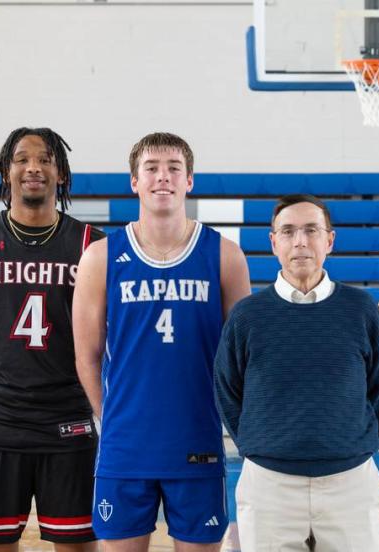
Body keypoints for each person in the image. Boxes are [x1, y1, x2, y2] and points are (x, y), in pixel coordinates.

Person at [73, 132, 250, 552]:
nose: (162, 177)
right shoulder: (101, 257)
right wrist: (115, 418)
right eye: (151, 168)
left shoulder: (225, 256)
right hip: (125, 450)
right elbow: (86, 357)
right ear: (134, 181)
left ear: (190, 180)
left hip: (198, 443)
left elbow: (245, 358)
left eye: (174, 168)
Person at [0, 127, 103, 549]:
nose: (34, 167)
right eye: (22, 158)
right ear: (6, 171)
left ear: (61, 174)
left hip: (69, 426)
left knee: (78, 545)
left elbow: (112, 338)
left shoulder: (91, 246)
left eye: (46, 159)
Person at [214, 194, 379, 552]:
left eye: (311, 230)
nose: (300, 241)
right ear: (273, 242)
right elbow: (227, 390)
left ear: (329, 240)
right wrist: (260, 445)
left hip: (350, 481)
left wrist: (353, 445)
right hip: (269, 484)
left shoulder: (361, 309)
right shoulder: (247, 316)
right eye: (288, 231)